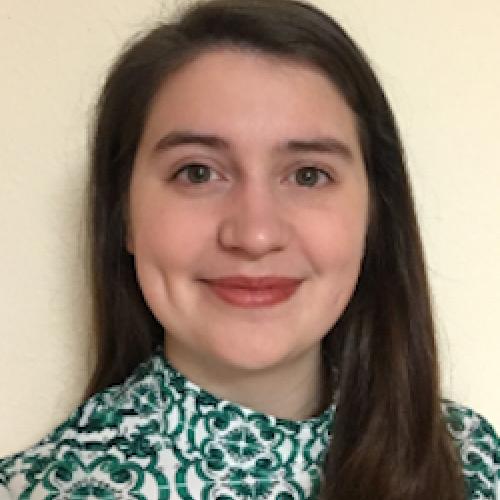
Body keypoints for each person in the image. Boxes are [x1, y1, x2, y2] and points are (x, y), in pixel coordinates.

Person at [0, 0, 498, 498]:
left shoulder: (472, 462)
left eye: (308, 175)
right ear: (124, 214)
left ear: (374, 215)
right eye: (197, 172)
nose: (255, 235)